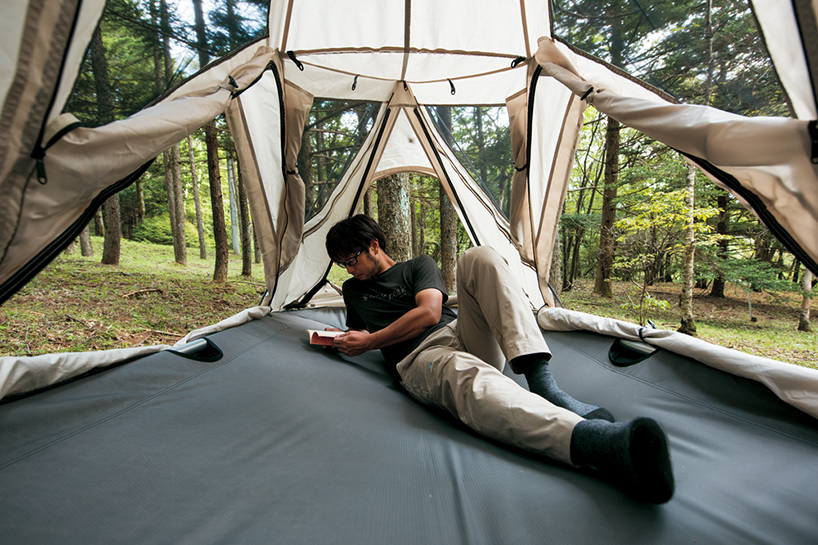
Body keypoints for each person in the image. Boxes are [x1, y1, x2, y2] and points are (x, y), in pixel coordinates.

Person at [325, 214, 674, 504]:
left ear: (374, 246)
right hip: (420, 357)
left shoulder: (418, 265)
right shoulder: (354, 291)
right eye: (341, 264)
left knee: (478, 257)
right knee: (466, 375)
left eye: (351, 259)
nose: (347, 269)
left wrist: (370, 341)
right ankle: (597, 443)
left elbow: (431, 312)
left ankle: (544, 384)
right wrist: (343, 341)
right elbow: (354, 331)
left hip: (461, 332)